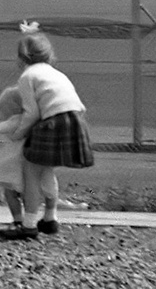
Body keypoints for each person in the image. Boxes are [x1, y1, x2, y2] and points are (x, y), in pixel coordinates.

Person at [6, 27, 94, 240]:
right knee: (47, 170)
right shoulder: (57, 73)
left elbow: (31, 112)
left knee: (31, 173)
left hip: (52, 121)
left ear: (22, 57)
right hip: (75, 119)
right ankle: (50, 218)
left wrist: (18, 133)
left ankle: (28, 225)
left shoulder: (28, 76)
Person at [0, 85, 30, 234]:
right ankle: (29, 220)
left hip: (13, 166)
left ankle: (18, 219)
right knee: (27, 194)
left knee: (11, 193)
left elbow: (6, 125)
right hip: (26, 165)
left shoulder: (17, 119)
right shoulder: (31, 119)